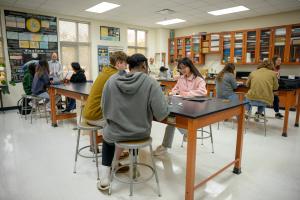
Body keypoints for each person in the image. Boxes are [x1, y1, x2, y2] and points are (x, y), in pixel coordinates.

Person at [97, 53, 170, 191]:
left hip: (116, 134)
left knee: (108, 136)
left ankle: (105, 177)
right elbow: (161, 114)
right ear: (144, 66)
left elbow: (103, 107)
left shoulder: (112, 80)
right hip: (140, 133)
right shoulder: (151, 83)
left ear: (129, 66)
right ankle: (134, 167)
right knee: (134, 129)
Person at [153, 57, 207, 156]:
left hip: (193, 108)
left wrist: (186, 93)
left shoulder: (198, 79)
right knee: (171, 119)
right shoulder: (181, 78)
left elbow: (203, 91)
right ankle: (185, 133)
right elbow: (175, 89)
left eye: (184, 68)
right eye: (180, 69)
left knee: (172, 120)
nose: (182, 70)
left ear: (190, 66)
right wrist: (173, 93)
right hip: (181, 106)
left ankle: (166, 146)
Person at [82, 51, 128, 152]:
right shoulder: (115, 76)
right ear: (119, 63)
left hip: (88, 113)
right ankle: (115, 156)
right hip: (96, 116)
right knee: (122, 124)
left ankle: (93, 146)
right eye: (125, 63)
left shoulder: (105, 71)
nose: (126, 66)